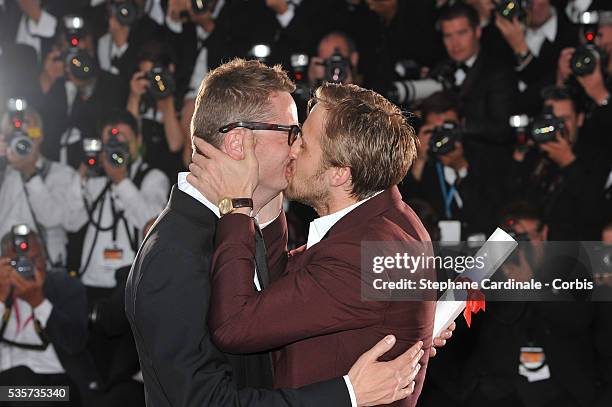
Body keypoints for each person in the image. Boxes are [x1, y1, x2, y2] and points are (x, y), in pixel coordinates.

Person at [126, 58, 453, 407]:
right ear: (238, 144)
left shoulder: (367, 251)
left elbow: (250, 316)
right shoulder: (174, 254)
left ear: (340, 173)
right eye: (288, 133)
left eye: (301, 140)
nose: (294, 149)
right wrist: (349, 392)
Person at [0, 227, 98, 406]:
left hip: (59, 389)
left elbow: (75, 343)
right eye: (17, 261)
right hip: (6, 389)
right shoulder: (1, 290)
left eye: (33, 259)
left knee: (20, 381)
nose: (26, 266)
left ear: (44, 257)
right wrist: (0, 299)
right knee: (14, 384)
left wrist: (39, 303)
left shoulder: (66, 288)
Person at [0, 102, 80, 268]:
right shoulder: (4, 172)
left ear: (40, 134)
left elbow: (52, 218)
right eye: (13, 129)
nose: (20, 132)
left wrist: (30, 171)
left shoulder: (62, 173)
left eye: (26, 124)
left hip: (44, 268)